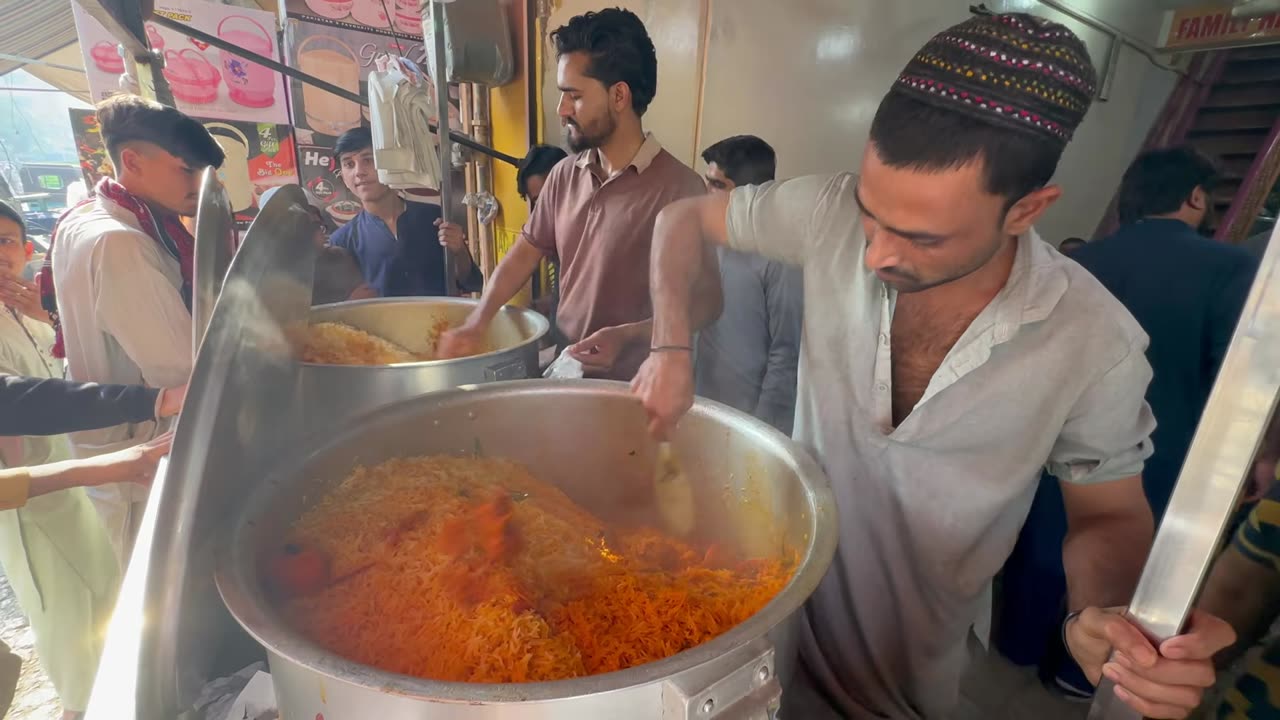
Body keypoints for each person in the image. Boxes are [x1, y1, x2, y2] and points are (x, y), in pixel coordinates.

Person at [631, 13, 1234, 720]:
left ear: (1027, 210)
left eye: (920, 237)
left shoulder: (1091, 340)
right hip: (767, 623)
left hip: (911, 680)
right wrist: (669, 349)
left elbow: (1106, 515)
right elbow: (681, 222)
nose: (876, 255)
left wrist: (1106, 615)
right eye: (871, 213)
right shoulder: (827, 213)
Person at [999, 147, 1260, 696]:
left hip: (1044, 446)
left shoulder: (1073, 265)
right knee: (1121, 564)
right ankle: (1081, 673)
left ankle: (1018, 646)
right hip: (1160, 458)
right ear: (1193, 196)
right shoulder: (1231, 270)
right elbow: (1235, 386)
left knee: (1041, 544)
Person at [438, 9, 708, 380]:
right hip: (567, 370)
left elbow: (704, 304)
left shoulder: (682, 189)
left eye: (574, 96)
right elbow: (524, 255)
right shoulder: (565, 174)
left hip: (637, 386)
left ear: (619, 95)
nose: (562, 111)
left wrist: (629, 335)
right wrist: (478, 322)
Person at [44, 94, 223, 567]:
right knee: (155, 577)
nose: (198, 183)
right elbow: (181, 369)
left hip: (111, 443)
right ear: (131, 160)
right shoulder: (121, 242)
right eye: (187, 169)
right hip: (138, 453)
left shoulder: (88, 215)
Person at [0, 200, 156, 720]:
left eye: (5, 242)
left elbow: (62, 378)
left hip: (73, 492)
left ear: (26, 250)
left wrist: (45, 318)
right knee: (72, 634)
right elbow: (25, 401)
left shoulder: (27, 314)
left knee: (106, 610)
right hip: (30, 508)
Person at [694, 135, 802, 434]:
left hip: (748, 419)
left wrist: (763, 429)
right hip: (699, 404)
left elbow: (786, 354)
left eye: (717, 185)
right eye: (707, 181)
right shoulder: (706, 238)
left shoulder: (780, 257)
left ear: (753, 193)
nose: (706, 194)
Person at [328, 127, 482, 298]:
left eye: (368, 160)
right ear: (342, 176)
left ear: (391, 165)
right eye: (349, 164)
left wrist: (458, 249)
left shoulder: (434, 218)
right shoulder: (342, 242)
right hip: (381, 324)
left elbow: (470, 281)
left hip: (440, 321)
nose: (359, 172)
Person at [259, 185, 375, 305]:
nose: (320, 232)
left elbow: (365, 297)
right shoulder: (269, 277)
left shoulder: (340, 258)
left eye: (318, 224)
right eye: (308, 226)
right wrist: (350, 303)